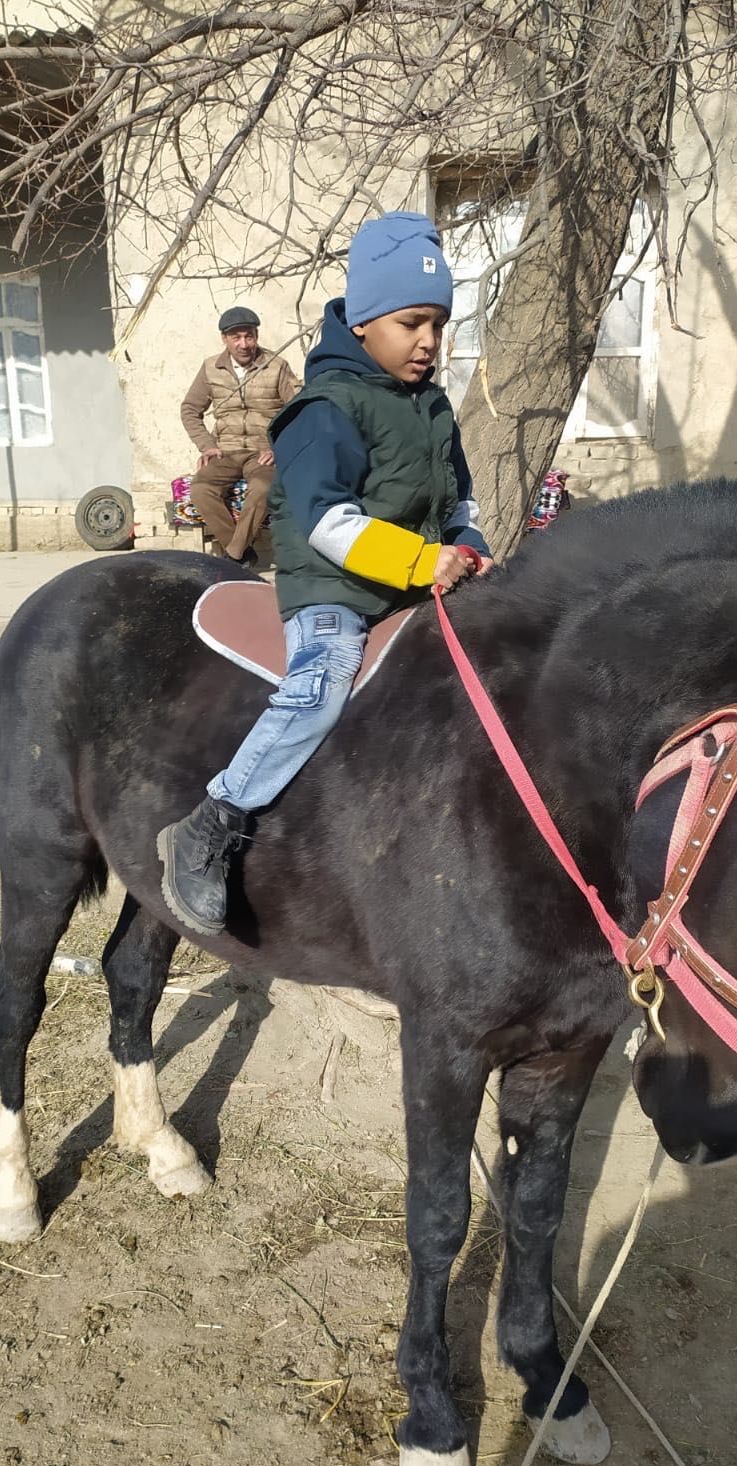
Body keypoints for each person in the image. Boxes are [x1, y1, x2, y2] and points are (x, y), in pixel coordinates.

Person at [158, 212, 494, 936]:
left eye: (438, 323)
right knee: (321, 683)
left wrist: (468, 539)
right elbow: (326, 521)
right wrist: (417, 558)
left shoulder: (432, 405)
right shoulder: (324, 408)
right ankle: (213, 821)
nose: (429, 341)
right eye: (412, 322)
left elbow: (458, 493)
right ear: (366, 321)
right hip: (333, 586)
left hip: (412, 580)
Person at [180, 307, 300, 564]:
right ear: (224, 339)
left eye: (249, 336)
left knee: (263, 489)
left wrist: (279, 448)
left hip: (262, 452)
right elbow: (190, 409)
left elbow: (298, 411)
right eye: (236, 338)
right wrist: (206, 446)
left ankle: (233, 558)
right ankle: (243, 551)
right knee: (200, 489)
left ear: (256, 335)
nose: (244, 344)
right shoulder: (211, 368)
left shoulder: (276, 366)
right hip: (226, 450)